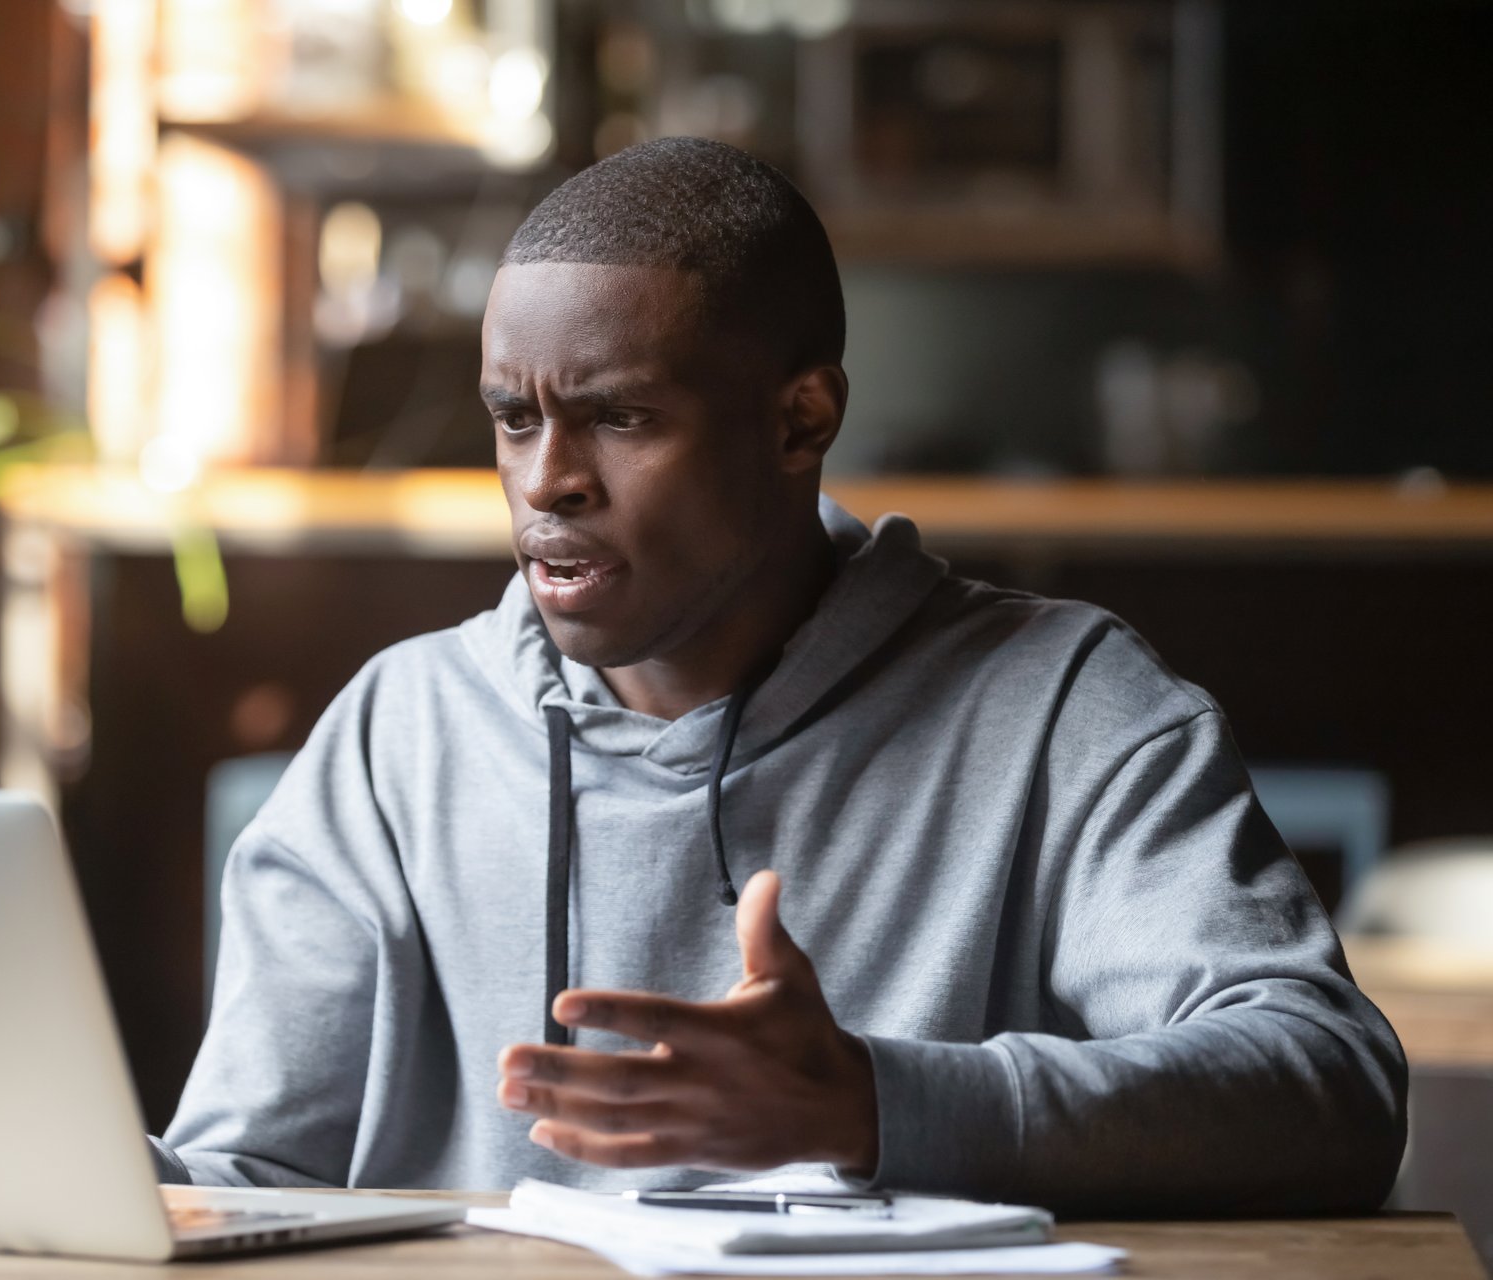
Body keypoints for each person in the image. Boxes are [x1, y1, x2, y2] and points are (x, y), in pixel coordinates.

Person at [151, 137, 1406, 1213]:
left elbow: (1329, 1087)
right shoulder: (400, 731)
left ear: (802, 419)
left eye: (621, 417)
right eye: (515, 419)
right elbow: (240, 1177)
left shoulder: (1061, 704)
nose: (548, 481)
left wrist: (876, 1101)